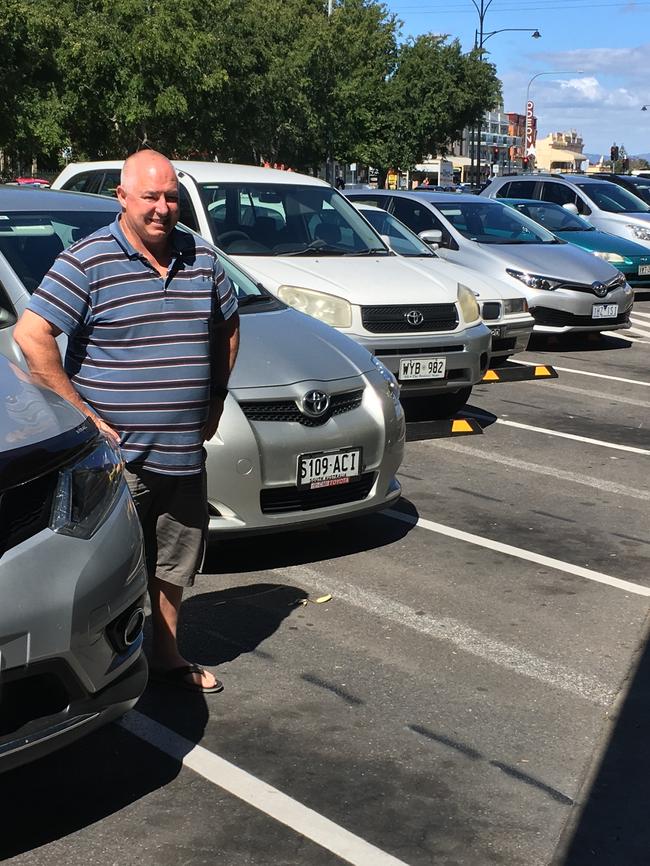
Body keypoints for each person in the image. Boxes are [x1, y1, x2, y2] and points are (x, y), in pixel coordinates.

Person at [14, 150, 240, 694]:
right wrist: (83, 415)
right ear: (122, 198)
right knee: (101, 571)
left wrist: (213, 398)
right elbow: (31, 335)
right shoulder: (87, 260)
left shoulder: (201, 259)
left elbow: (227, 325)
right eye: (150, 197)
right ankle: (91, 678)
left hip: (182, 453)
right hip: (112, 461)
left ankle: (165, 656)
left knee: (174, 562)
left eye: (170, 197)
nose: (162, 208)